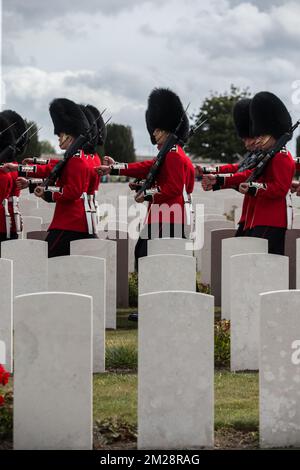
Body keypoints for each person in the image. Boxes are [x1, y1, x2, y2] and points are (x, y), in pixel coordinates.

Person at [96, 87, 195, 269]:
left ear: (168, 130)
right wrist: (115, 168)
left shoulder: (173, 154)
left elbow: (172, 188)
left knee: (149, 260)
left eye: (158, 130)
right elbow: (148, 168)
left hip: (168, 216)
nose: (154, 134)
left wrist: (146, 194)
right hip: (168, 215)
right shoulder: (171, 153)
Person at [3, 98, 97, 257]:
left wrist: (47, 192)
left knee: (44, 259)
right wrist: (19, 168)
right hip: (73, 222)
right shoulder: (74, 158)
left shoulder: (77, 160)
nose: (59, 138)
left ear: (69, 136)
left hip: (71, 223)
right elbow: (49, 167)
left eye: (61, 135)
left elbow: (73, 191)